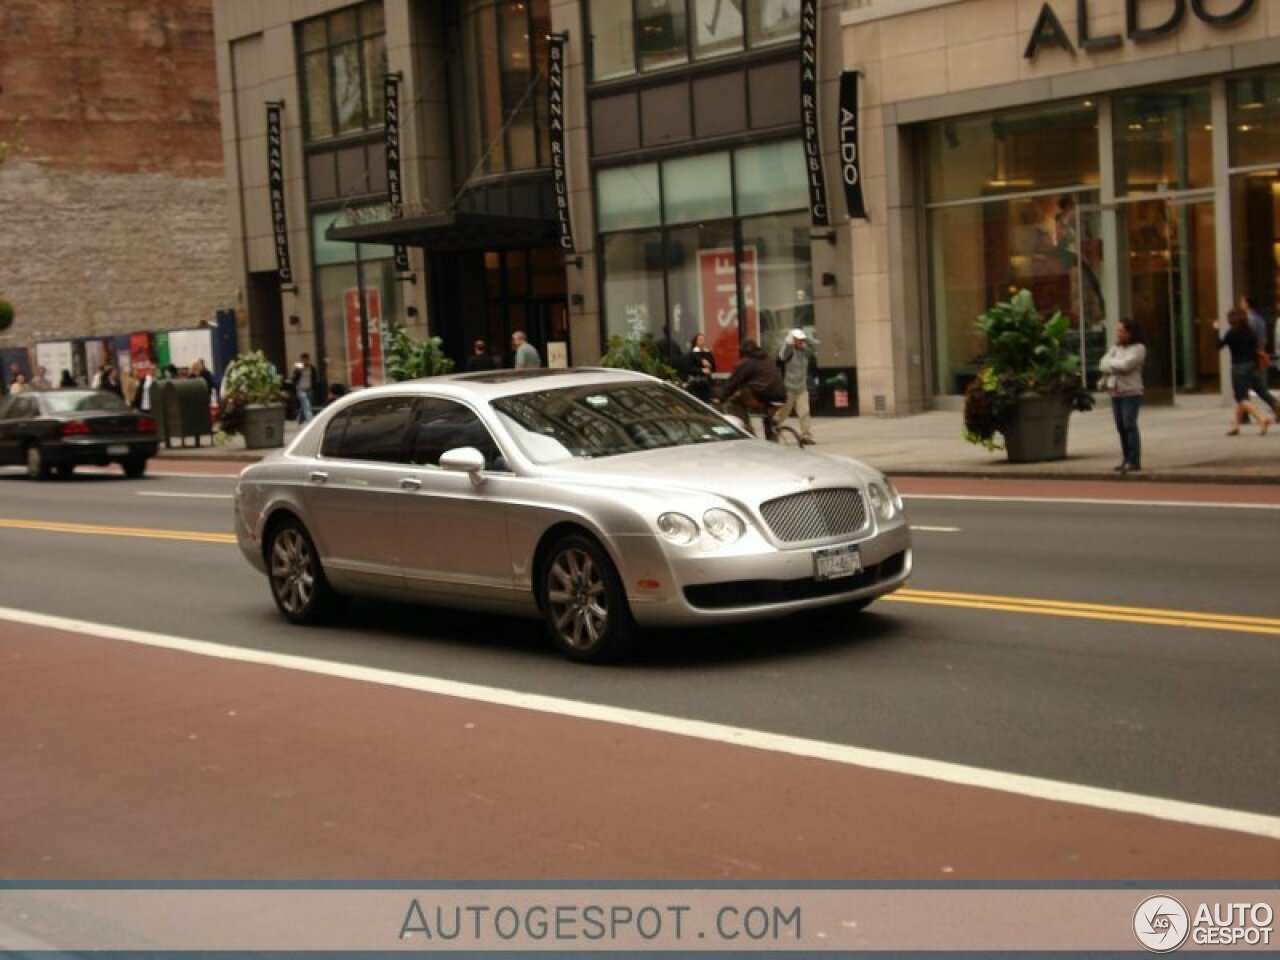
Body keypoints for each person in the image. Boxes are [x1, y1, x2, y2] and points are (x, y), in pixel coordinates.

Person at [1098, 318, 1146, 473]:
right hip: (1116, 391)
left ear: (1129, 333)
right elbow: (1102, 363)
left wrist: (1112, 365)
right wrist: (1114, 365)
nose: (1118, 334)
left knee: (1129, 424)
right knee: (1120, 426)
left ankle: (1134, 460)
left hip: (1131, 392)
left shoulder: (1138, 348)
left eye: (1121, 331)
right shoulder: (1115, 348)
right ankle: (1125, 459)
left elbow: (1127, 365)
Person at [1216, 308, 1271, 436]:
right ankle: (1235, 425)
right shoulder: (1250, 333)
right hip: (1251, 366)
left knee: (1241, 398)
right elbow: (1255, 350)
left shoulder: (1231, 333)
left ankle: (1261, 418)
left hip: (1238, 368)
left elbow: (1218, 346)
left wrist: (1216, 330)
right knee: (1244, 396)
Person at [719, 339, 786, 437]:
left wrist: (721, 397)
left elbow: (734, 382)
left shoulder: (746, 362)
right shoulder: (768, 358)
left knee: (736, 402)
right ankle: (771, 437)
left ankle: (747, 430)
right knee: (768, 417)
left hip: (763, 394)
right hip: (781, 395)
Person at [775, 328, 817, 445]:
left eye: (801, 340)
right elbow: (782, 355)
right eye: (798, 340)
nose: (800, 342)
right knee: (784, 412)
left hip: (801, 387)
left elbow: (815, 346)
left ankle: (806, 436)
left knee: (804, 412)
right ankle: (773, 426)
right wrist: (789, 341)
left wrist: (806, 339)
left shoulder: (805, 351)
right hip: (788, 387)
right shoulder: (789, 351)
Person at [683, 332, 715, 403]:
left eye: (703, 340)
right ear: (696, 342)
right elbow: (689, 369)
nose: (702, 342)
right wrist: (701, 370)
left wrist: (710, 367)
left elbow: (714, 368)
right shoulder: (691, 354)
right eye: (700, 340)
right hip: (695, 383)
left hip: (706, 383)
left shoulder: (708, 353)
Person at [290, 352, 318, 423]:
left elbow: (314, 378)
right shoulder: (298, 368)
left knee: (305, 405)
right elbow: (293, 378)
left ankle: (299, 418)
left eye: (306, 360)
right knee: (306, 405)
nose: (305, 361)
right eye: (303, 360)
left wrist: (314, 387)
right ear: (301, 360)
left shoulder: (312, 368)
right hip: (300, 390)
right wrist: (298, 371)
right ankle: (311, 421)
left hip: (309, 389)